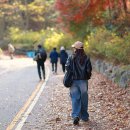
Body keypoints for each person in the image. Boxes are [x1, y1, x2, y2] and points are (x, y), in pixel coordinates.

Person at [65, 41, 92, 125]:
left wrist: (71, 73)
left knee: (75, 98)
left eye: (74, 48)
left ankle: (76, 115)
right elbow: (89, 70)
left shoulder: (71, 57)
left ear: (76, 49)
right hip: (83, 81)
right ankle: (84, 116)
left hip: (73, 81)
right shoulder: (86, 58)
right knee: (84, 99)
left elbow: (67, 67)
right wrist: (87, 77)